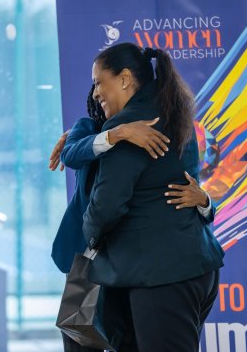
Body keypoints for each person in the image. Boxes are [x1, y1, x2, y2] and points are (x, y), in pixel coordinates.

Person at [83, 42, 225, 352]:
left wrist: (88, 236)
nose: (95, 93)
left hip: (160, 276)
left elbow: (106, 205)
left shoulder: (130, 125)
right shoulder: (171, 110)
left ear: (124, 79)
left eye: (98, 82)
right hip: (193, 267)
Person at [50, 85, 213, 352]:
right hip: (87, 257)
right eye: (99, 93)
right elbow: (72, 155)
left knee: (129, 339)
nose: (101, 98)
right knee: (76, 338)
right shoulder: (87, 129)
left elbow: (175, 193)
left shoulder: (154, 137)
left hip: (128, 261)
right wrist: (118, 134)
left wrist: (205, 201)